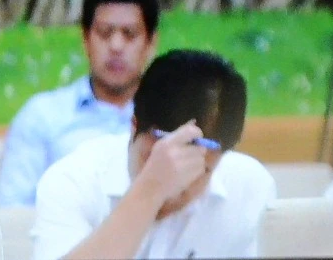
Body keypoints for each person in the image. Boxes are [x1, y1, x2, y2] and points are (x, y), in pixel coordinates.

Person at [32, 49, 277, 260]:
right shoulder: (72, 180)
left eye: (194, 169)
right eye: (158, 159)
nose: (174, 185)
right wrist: (150, 189)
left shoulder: (248, 186)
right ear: (134, 125)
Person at [0, 0, 159, 206]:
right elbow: (12, 210)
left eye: (129, 34)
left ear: (151, 43)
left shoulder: (171, 119)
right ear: (85, 39)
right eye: (105, 33)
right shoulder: (41, 117)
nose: (116, 46)